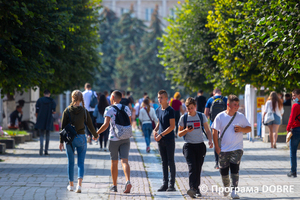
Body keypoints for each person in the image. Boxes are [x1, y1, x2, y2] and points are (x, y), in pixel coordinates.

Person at [211, 94, 251, 199]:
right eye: (235, 105)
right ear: (228, 105)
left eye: (238, 105)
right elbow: (214, 132)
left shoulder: (240, 116)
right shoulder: (220, 116)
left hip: (237, 148)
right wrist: (217, 147)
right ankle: (226, 186)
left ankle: (234, 190)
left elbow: (249, 128)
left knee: (235, 168)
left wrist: (242, 129)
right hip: (223, 148)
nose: (237, 107)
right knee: (223, 170)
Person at [94, 90, 132, 193]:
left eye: (111, 97)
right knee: (125, 161)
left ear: (113, 98)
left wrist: (97, 133)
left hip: (114, 138)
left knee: (114, 162)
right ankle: (128, 181)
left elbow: (106, 125)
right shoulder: (126, 108)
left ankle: (114, 186)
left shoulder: (109, 109)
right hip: (125, 138)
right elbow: (129, 121)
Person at [59, 90, 97, 193]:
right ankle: (79, 186)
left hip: (69, 139)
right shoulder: (84, 111)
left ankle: (71, 185)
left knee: (70, 163)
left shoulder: (67, 111)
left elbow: (63, 128)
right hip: (81, 138)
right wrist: (95, 135)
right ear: (81, 99)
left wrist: (61, 142)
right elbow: (90, 125)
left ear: (72, 98)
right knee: (81, 163)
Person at [178, 97, 213, 198]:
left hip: (200, 145)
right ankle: (192, 188)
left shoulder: (201, 116)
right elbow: (179, 134)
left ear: (195, 107)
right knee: (192, 167)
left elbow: (207, 130)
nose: (189, 110)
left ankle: (196, 189)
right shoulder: (183, 118)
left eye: (191, 108)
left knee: (198, 168)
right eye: (188, 108)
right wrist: (186, 130)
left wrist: (210, 140)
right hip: (188, 146)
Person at [153, 90, 176, 192]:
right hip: (160, 140)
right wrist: (155, 130)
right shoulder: (158, 110)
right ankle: (165, 183)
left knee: (170, 161)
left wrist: (161, 134)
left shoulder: (170, 110)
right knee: (163, 162)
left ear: (166, 98)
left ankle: (172, 184)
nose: (159, 99)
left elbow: (172, 126)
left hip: (169, 139)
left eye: (161, 97)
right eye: (158, 97)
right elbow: (159, 123)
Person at [204, 88, 227, 169]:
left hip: (213, 124)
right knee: (224, 143)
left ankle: (217, 163)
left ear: (214, 93)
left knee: (216, 143)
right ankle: (224, 162)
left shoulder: (210, 100)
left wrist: (205, 126)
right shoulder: (225, 99)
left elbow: (206, 114)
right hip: (224, 124)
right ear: (220, 92)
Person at [35, 89, 56, 156]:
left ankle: (41, 146)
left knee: (41, 134)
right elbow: (54, 112)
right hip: (49, 119)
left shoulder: (39, 100)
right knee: (47, 135)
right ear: (49, 94)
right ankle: (46, 151)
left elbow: (36, 112)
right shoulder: (52, 101)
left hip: (41, 119)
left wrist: (37, 119)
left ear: (44, 94)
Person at [286, 89, 300, 178]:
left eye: (294, 95)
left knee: (293, 151)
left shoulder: (295, 106)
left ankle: (293, 171)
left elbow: (291, 119)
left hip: (296, 130)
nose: (293, 97)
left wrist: (288, 128)